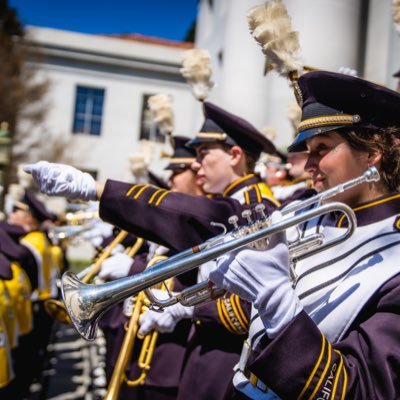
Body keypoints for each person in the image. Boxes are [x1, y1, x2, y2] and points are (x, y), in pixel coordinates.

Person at [24, 101, 280, 400]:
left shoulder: (255, 206)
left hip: (222, 361)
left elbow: (245, 303)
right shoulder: (236, 201)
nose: (196, 164)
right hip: (205, 355)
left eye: (203, 154)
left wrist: (94, 188)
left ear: (235, 155)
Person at [208, 71, 400, 399]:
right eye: (307, 149)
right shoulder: (301, 215)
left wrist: (277, 305)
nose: (308, 164)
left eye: (321, 148)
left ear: (371, 153)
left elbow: (361, 389)